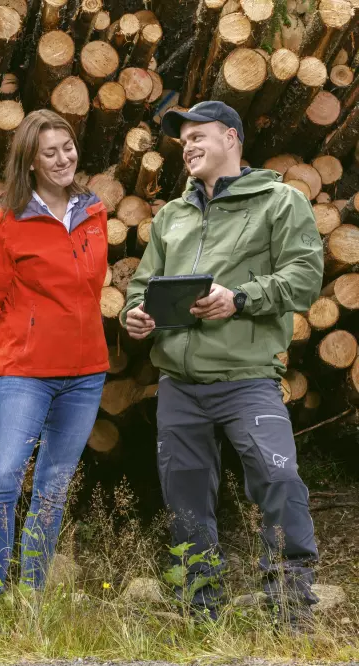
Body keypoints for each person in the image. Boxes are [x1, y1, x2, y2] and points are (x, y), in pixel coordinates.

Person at [121, 101, 324, 627]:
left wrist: (242, 297)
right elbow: (143, 286)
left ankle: (291, 607)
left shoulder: (280, 202)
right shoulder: (172, 215)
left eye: (198, 136)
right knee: (184, 496)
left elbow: (304, 279)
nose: (187, 146)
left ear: (231, 138)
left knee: (278, 480)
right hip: (179, 386)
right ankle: (199, 608)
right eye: (182, 139)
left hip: (247, 379)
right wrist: (135, 315)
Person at [0, 109, 109, 593]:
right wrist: (2, 367)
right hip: (25, 374)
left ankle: (32, 597)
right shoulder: (3, 223)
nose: (63, 158)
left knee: (52, 489)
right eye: (50, 152)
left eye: (67, 148)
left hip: (86, 375)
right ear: (30, 161)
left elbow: (91, 291)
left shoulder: (94, 213)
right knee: (3, 478)